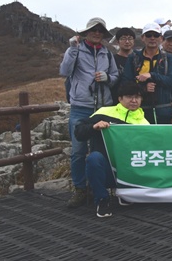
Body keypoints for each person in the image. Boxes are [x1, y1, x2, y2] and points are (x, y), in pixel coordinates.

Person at [59, 17, 119, 208]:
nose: (97, 33)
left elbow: (116, 77)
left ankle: (97, 188)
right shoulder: (76, 50)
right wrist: (72, 50)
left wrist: (107, 77)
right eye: (94, 30)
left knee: (100, 151)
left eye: (100, 31)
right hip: (80, 107)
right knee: (78, 151)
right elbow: (64, 71)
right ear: (86, 33)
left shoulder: (107, 54)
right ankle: (79, 189)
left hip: (103, 108)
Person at [74, 82, 150, 218]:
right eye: (129, 97)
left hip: (130, 170)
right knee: (94, 158)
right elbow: (79, 132)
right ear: (120, 98)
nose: (134, 101)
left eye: (137, 97)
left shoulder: (144, 122)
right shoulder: (104, 112)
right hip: (107, 169)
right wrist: (93, 127)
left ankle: (127, 193)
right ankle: (102, 200)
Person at [122, 23, 172, 124]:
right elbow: (126, 83)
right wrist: (143, 88)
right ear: (143, 38)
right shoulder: (134, 57)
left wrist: (152, 75)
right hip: (139, 110)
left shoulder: (168, 58)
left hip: (164, 110)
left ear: (161, 38)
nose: (152, 38)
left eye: (156, 35)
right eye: (149, 35)